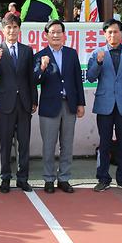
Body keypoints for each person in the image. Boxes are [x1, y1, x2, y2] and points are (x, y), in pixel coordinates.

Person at [86, 19, 122, 193]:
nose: (112, 35)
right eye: (109, 32)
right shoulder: (98, 53)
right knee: (104, 143)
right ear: (104, 34)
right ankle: (103, 178)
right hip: (105, 104)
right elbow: (90, 77)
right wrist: (99, 63)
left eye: (115, 31)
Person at [34, 20, 85, 194]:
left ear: (64, 35)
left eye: (58, 32)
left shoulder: (71, 54)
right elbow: (35, 80)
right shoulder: (41, 55)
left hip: (69, 105)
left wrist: (80, 103)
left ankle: (64, 178)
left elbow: (78, 79)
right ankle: (48, 179)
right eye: (52, 32)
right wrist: (42, 66)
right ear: (46, 35)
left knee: (67, 144)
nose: (56, 35)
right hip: (49, 107)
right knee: (49, 145)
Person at [0, 13, 37, 193]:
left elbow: (30, 78)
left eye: (15, 27)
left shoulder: (27, 50)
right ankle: (5, 178)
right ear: (3, 30)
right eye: (8, 27)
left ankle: (23, 178)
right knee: (5, 142)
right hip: (4, 102)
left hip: (24, 102)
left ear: (19, 29)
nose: (12, 30)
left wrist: (34, 99)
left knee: (24, 142)